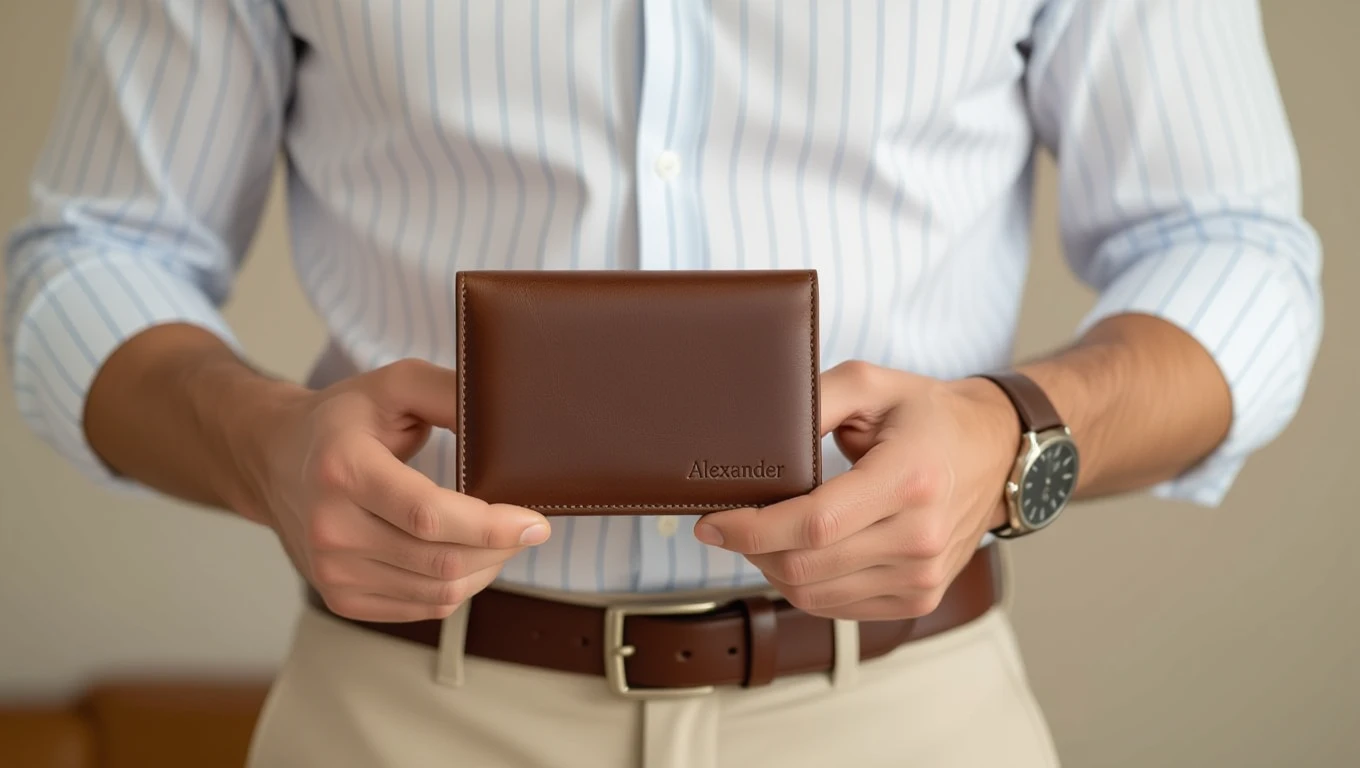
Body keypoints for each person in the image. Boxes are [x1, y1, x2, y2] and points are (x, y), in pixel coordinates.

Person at [4, 1, 1322, 766]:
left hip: (900, 723)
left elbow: (1227, 246)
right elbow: (96, 251)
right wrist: (266, 447)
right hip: (403, 720)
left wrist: (1016, 434)